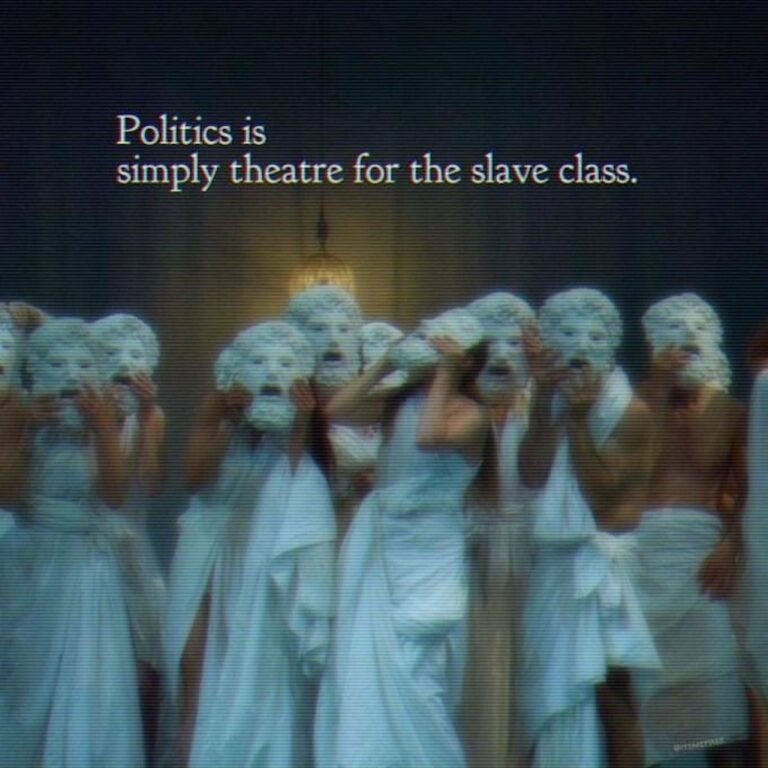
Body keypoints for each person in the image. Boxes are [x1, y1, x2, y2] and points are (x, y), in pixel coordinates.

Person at [315, 308, 492, 768]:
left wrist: (446, 375)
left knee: (420, 665)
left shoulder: (472, 414)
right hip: (383, 546)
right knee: (368, 662)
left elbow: (429, 438)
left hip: (430, 552)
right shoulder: (399, 402)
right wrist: (386, 363)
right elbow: (335, 411)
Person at [163, 321, 336, 768]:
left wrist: (301, 422)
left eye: (283, 364)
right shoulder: (218, 407)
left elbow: (302, 487)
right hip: (208, 553)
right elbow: (195, 478)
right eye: (259, 363)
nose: (271, 373)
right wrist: (229, 421)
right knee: (196, 677)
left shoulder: (305, 419)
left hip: (261, 557)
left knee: (261, 676)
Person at [519, 288, 659, 768]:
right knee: (548, 687)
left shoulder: (632, 412)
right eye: (568, 335)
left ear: (611, 347)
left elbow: (603, 498)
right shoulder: (548, 400)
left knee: (613, 692)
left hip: (604, 563)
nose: (581, 346)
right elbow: (532, 474)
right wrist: (543, 396)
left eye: (594, 337)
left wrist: (579, 422)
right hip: (555, 564)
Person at [0, 318, 145, 768]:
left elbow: (115, 496)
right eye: (58, 365)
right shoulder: (16, 411)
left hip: (86, 564)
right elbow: (6, 496)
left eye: (82, 366)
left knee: (90, 685)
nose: (70, 376)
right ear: (37, 371)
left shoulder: (108, 416)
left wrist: (103, 430)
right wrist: (25, 433)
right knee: (25, 684)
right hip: (30, 561)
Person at [632, 293, 748, 767]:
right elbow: (627, 470)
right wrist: (658, 384)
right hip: (643, 558)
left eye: (694, 335)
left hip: (702, 562)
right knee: (647, 700)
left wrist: (732, 545)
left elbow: (753, 492)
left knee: (719, 700)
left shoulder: (733, 413)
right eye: (671, 337)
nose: (684, 346)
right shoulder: (638, 404)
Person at [463, 291, 537, 768]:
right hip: (471, 553)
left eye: (514, 344)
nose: (503, 356)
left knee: (527, 667)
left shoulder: (540, 409)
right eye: (493, 344)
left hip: (531, 553)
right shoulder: (460, 411)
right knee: (479, 667)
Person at [91, 312, 167, 755]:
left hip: (133, 551)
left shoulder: (151, 418)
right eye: (112, 355)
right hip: (89, 547)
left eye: (133, 357)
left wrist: (148, 414)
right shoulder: (82, 418)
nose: (124, 364)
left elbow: (151, 485)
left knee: (147, 663)